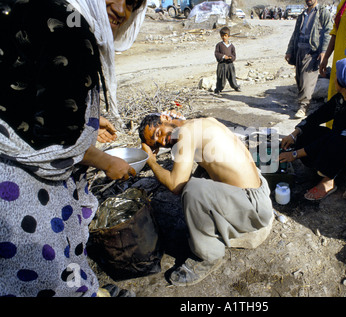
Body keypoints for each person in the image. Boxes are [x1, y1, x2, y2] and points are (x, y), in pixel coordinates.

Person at [0, 0, 147, 297]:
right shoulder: (66, 25)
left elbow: (34, 98)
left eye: (132, 3)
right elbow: (53, 143)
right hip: (24, 184)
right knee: (40, 268)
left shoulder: (40, 11)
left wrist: (89, 118)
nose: (121, 10)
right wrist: (104, 160)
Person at [139, 114, 273, 286]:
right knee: (201, 171)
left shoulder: (186, 132)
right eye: (157, 144)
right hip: (259, 192)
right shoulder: (204, 121)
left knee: (191, 190)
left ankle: (209, 255)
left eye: (158, 133)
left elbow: (175, 185)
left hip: (252, 207)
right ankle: (215, 224)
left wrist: (151, 162)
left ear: (164, 117)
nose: (163, 143)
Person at [279, 57, 346, 201]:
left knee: (337, 142)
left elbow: (336, 138)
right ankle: (327, 168)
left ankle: (328, 181)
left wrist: (295, 154)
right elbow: (316, 117)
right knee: (307, 133)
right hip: (343, 145)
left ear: (345, 80)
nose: (333, 77)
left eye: (337, 74)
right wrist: (294, 134)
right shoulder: (341, 98)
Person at [285, 0, 333, 118]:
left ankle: (303, 107)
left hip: (313, 52)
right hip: (300, 49)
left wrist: (323, 52)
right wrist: (289, 50)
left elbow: (328, 32)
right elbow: (295, 34)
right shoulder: (303, 15)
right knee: (299, 78)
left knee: (307, 79)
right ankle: (303, 102)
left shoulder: (323, 13)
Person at [214, 26, 241, 95]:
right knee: (221, 78)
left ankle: (236, 87)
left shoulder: (232, 46)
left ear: (228, 36)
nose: (224, 37)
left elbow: (234, 55)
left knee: (232, 76)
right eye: (222, 36)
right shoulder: (219, 45)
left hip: (229, 64)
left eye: (225, 35)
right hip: (221, 64)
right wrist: (223, 56)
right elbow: (216, 53)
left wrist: (230, 58)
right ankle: (218, 89)